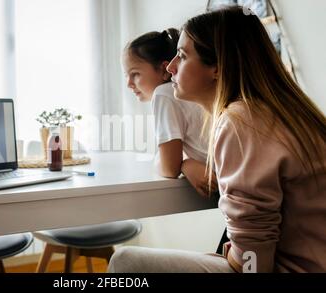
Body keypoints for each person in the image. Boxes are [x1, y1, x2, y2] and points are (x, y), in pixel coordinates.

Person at [109, 6, 326, 273]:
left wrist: (229, 258)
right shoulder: (280, 111)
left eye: (183, 56)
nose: (172, 67)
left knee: (126, 262)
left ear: (217, 67)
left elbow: (252, 257)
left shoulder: (240, 122)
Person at [123, 28, 217, 197]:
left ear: (165, 69)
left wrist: (184, 164)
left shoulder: (164, 94)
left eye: (135, 74)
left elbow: (169, 169)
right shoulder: (190, 93)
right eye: (127, 75)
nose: (129, 83)